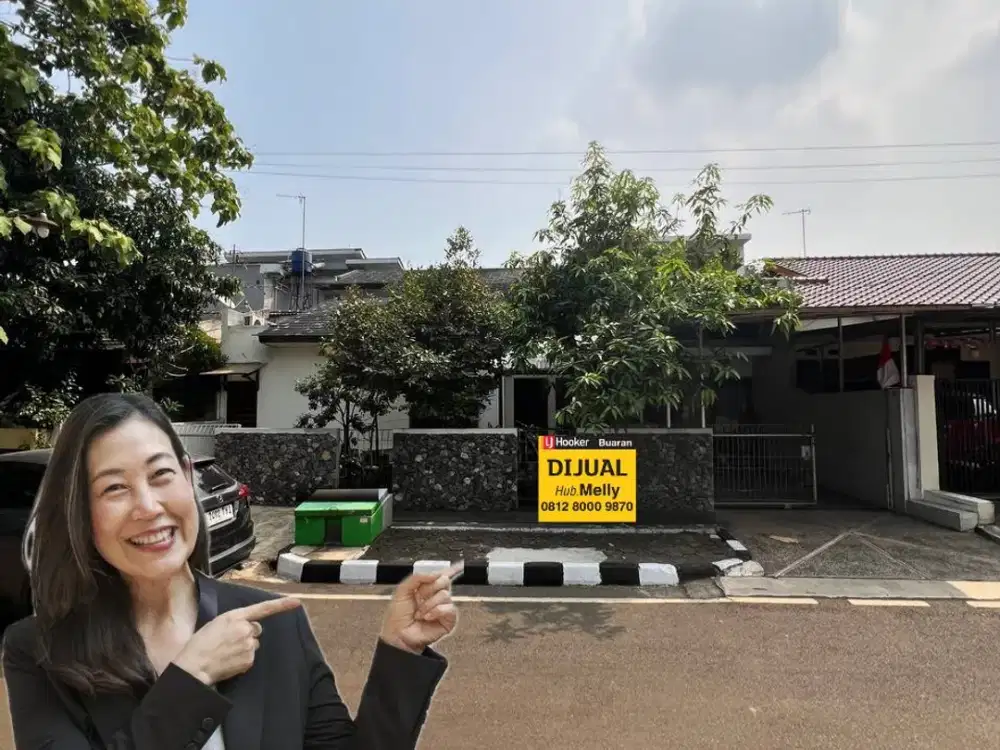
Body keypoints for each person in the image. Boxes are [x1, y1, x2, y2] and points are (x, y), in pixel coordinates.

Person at [2, 392, 459, 749]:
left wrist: (400, 651)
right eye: (114, 488)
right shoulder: (39, 652)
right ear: (80, 513)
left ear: (187, 476)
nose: (148, 507)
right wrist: (191, 677)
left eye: (161, 475)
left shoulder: (274, 622)